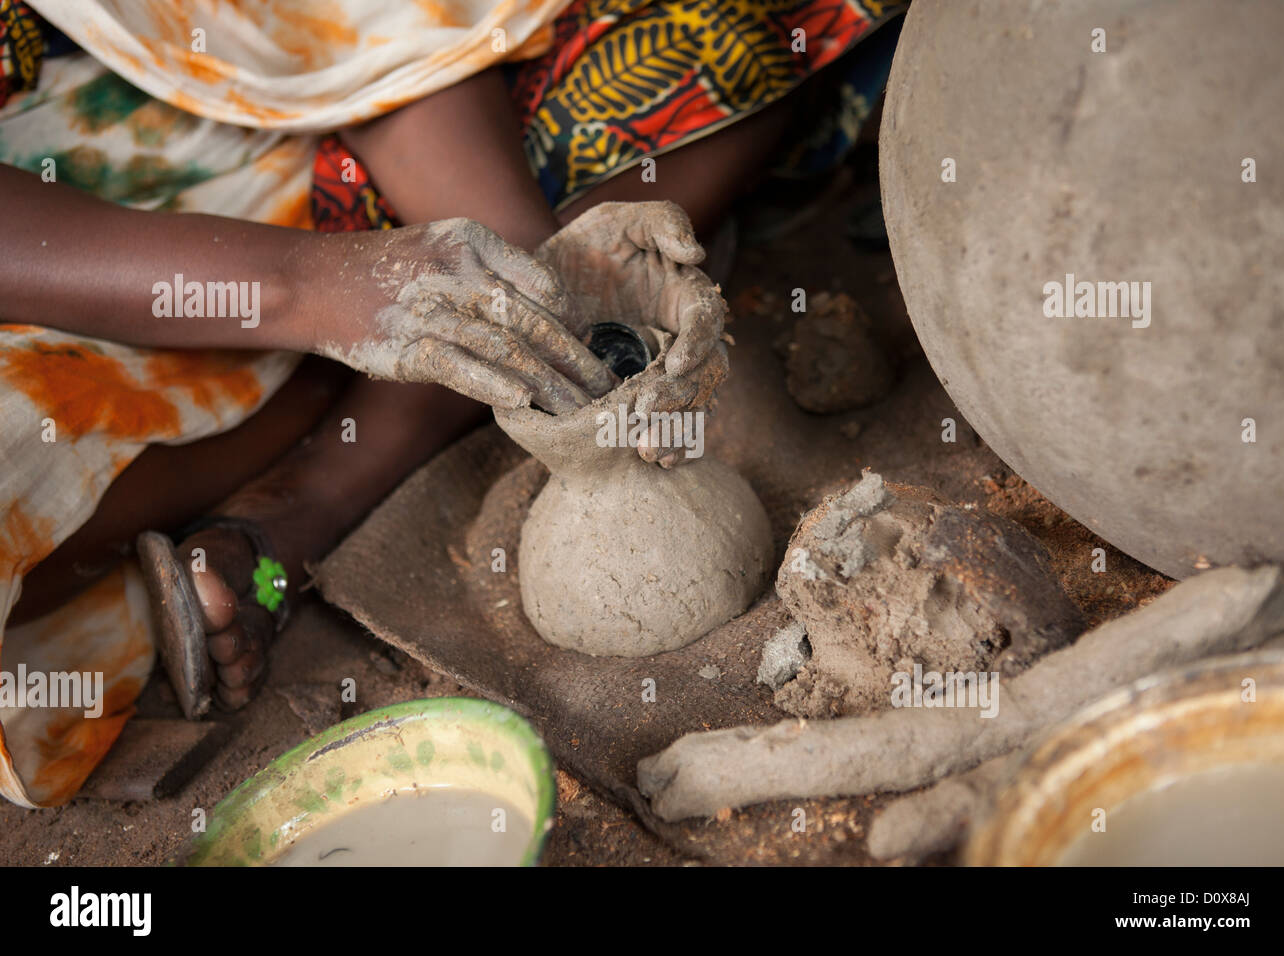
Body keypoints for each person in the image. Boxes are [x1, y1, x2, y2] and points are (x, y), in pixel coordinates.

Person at [0, 0, 906, 807]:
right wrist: (308, 289)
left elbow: (375, 28)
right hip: (86, 238)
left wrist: (539, 275)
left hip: (383, 93)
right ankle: (331, 416)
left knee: (745, 37)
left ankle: (308, 502)